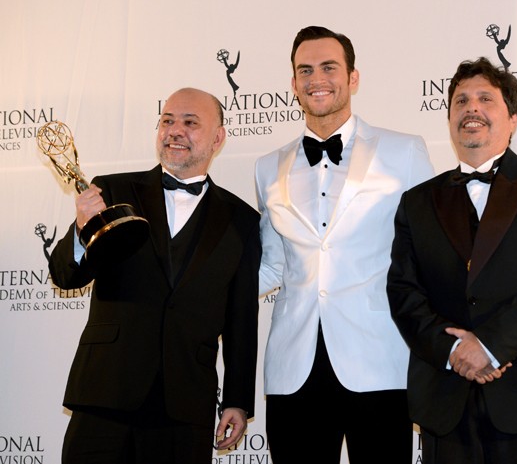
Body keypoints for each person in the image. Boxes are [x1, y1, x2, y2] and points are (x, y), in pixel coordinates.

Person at [387, 57, 517, 464]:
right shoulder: (417, 202)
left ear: (512, 118)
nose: (470, 108)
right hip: (447, 406)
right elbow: (404, 292)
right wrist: (453, 352)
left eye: (485, 99)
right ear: (449, 119)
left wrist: (491, 346)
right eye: (460, 101)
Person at [49, 87, 261, 464]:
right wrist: (83, 232)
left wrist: (238, 401)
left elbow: (241, 318)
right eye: (167, 120)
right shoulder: (112, 190)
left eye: (190, 122)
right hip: (104, 394)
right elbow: (66, 276)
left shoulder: (242, 221)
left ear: (218, 137)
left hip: (185, 407)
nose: (175, 130)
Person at [255, 26, 434, 464]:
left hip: (379, 361)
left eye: (329, 67)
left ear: (353, 78)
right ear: (294, 84)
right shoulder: (267, 167)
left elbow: (431, 254)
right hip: (293, 368)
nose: (317, 78)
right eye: (305, 70)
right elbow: (272, 267)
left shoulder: (404, 151)